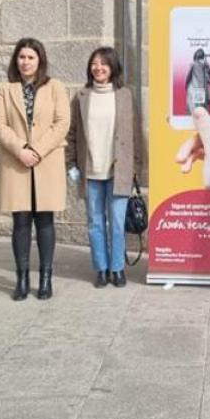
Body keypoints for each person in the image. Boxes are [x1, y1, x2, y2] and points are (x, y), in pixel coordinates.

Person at [0, 37, 70, 301]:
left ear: (40, 61)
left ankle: (46, 278)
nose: (25, 62)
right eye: (22, 57)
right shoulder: (5, 88)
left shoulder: (55, 87)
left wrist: (37, 150)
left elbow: (62, 122)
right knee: (21, 221)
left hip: (46, 161)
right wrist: (21, 149)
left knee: (45, 221)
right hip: (17, 161)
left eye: (31, 57)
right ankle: (22, 278)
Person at [67, 47, 143, 288]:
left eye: (104, 64)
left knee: (118, 223)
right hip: (90, 171)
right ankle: (101, 268)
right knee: (95, 222)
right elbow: (72, 135)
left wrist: (136, 168)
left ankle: (117, 268)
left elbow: (136, 135)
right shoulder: (81, 97)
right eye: (94, 63)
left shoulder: (124, 96)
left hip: (117, 170)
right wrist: (70, 164)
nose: (98, 68)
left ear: (113, 68)